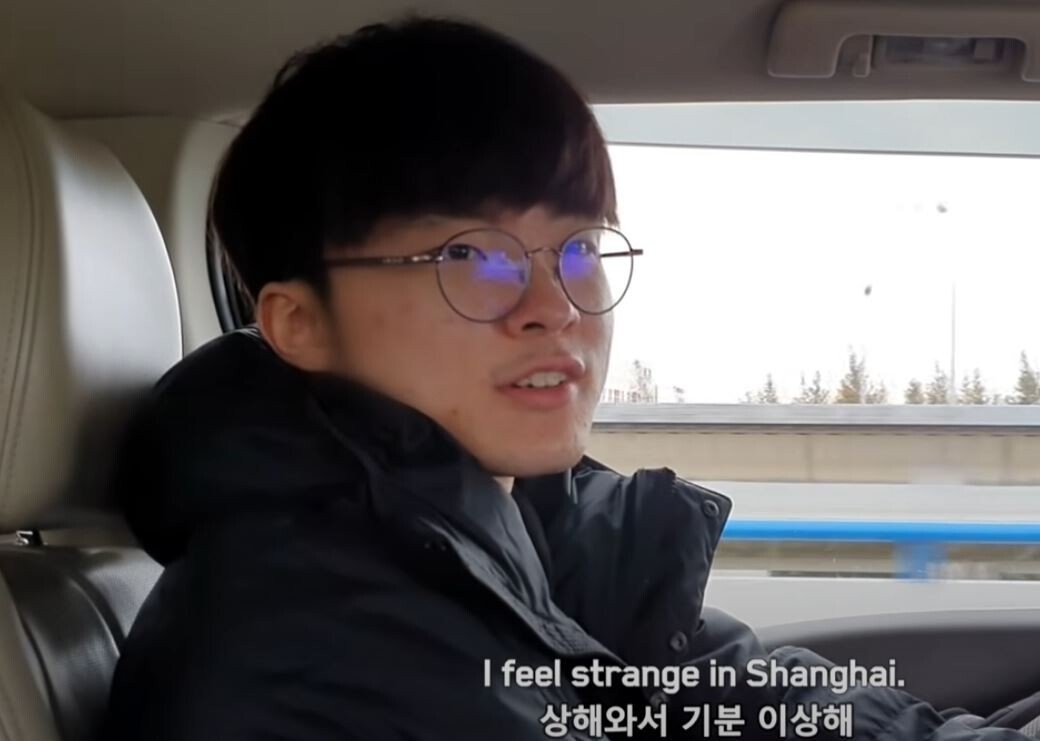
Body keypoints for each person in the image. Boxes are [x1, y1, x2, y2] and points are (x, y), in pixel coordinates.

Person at [103, 17, 1034, 741]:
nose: (555, 306)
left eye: (581, 249)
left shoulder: (523, 539)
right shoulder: (316, 648)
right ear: (299, 324)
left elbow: (721, 694)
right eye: (471, 255)